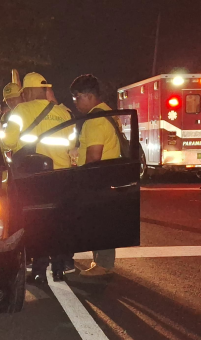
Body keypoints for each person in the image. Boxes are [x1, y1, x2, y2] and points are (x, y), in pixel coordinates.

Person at [1, 72, 74, 284]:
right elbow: (71, 142)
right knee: (58, 223)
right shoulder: (63, 112)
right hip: (61, 175)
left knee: (38, 223)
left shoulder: (21, 111)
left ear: (30, 91)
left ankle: (39, 271)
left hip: (33, 176)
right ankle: (59, 269)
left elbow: (8, 142)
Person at [69, 74, 121, 278]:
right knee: (102, 221)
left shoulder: (95, 120)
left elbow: (93, 156)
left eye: (77, 97)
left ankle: (103, 265)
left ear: (89, 96)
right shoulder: (108, 112)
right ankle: (102, 262)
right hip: (107, 177)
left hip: (96, 179)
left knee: (98, 223)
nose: (75, 103)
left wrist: (81, 180)